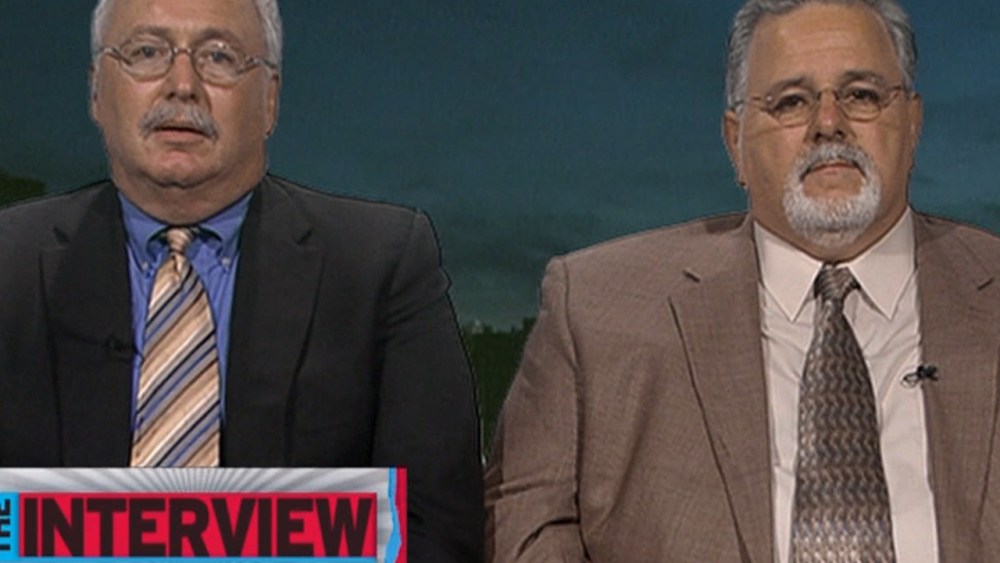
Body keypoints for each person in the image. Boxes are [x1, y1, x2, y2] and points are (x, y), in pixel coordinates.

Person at [486, 0, 1000, 560]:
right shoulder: (594, 309)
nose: (829, 123)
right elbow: (524, 527)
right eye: (791, 102)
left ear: (913, 122)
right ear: (735, 142)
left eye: (861, 95)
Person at [0, 0, 482, 560]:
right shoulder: (9, 265)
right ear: (95, 91)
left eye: (220, 57)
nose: (183, 85)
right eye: (146, 52)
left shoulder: (381, 265)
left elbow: (433, 528)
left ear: (270, 99)